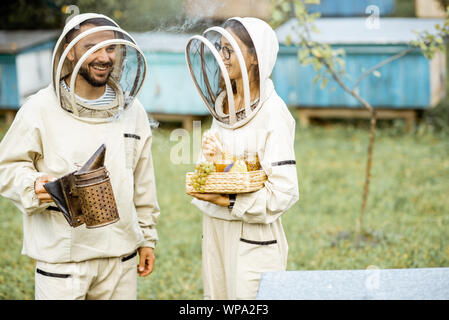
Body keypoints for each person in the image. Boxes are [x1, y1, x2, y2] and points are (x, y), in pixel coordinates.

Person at [0, 13, 160, 300]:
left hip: (120, 258)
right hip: (63, 261)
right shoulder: (38, 108)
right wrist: (35, 185)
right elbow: (6, 168)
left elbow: (142, 181)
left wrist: (147, 238)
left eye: (110, 48)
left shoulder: (133, 111)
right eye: (92, 47)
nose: (104, 56)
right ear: (69, 52)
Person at [185, 17, 299, 299]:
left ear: (254, 57)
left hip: (253, 237)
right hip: (214, 228)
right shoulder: (225, 102)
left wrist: (232, 200)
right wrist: (212, 159)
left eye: (229, 50)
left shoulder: (274, 113)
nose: (221, 57)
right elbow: (216, 169)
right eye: (220, 48)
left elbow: (285, 192)